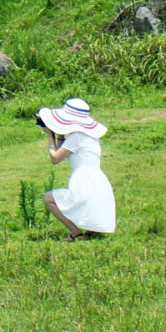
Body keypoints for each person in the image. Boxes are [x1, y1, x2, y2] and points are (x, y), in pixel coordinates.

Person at [38, 97, 114, 239]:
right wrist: (60, 133)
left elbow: (55, 158)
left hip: (83, 180)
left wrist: (50, 136)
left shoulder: (77, 137)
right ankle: (91, 232)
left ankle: (75, 232)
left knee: (49, 198)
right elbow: (65, 149)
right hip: (97, 180)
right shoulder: (90, 136)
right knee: (86, 206)